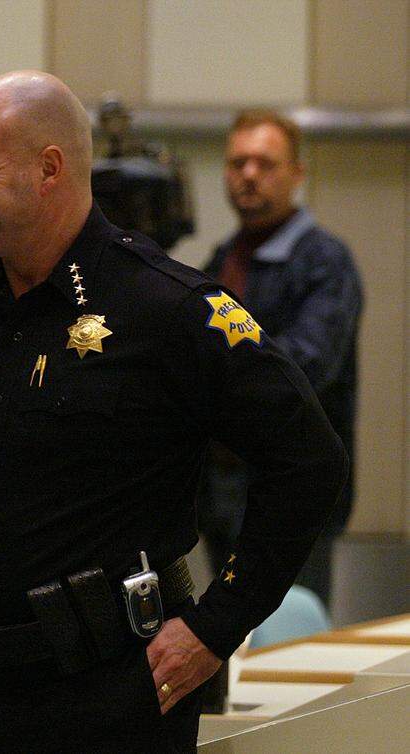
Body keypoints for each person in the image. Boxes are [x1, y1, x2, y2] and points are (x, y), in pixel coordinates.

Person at [0, 71, 347, 752]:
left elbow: (309, 461)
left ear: (48, 170)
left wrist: (217, 625)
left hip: (118, 692)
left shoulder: (166, 307)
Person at [199, 110, 363, 606]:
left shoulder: (324, 262)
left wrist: (211, 383)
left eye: (265, 163)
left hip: (293, 493)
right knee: (228, 646)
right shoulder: (223, 258)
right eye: (238, 162)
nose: (249, 174)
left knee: (289, 641)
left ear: (297, 174)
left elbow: (306, 368)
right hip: (221, 491)